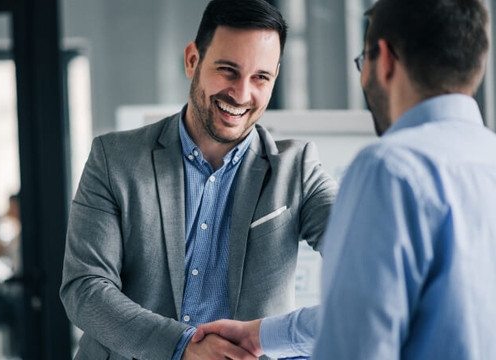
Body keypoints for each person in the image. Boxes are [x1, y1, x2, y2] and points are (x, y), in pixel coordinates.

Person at [193, 0, 496, 359]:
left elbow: (357, 341)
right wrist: (262, 335)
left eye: (361, 61)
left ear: (383, 59)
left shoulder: (390, 168)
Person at [59, 0, 338, 359]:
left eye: (260, 78)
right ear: (193, 60)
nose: (241, 94)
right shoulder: (114, 159)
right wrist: (181, 347)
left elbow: (370, 262)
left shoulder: (297, 170)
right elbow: (85, 288)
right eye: (228, 70)